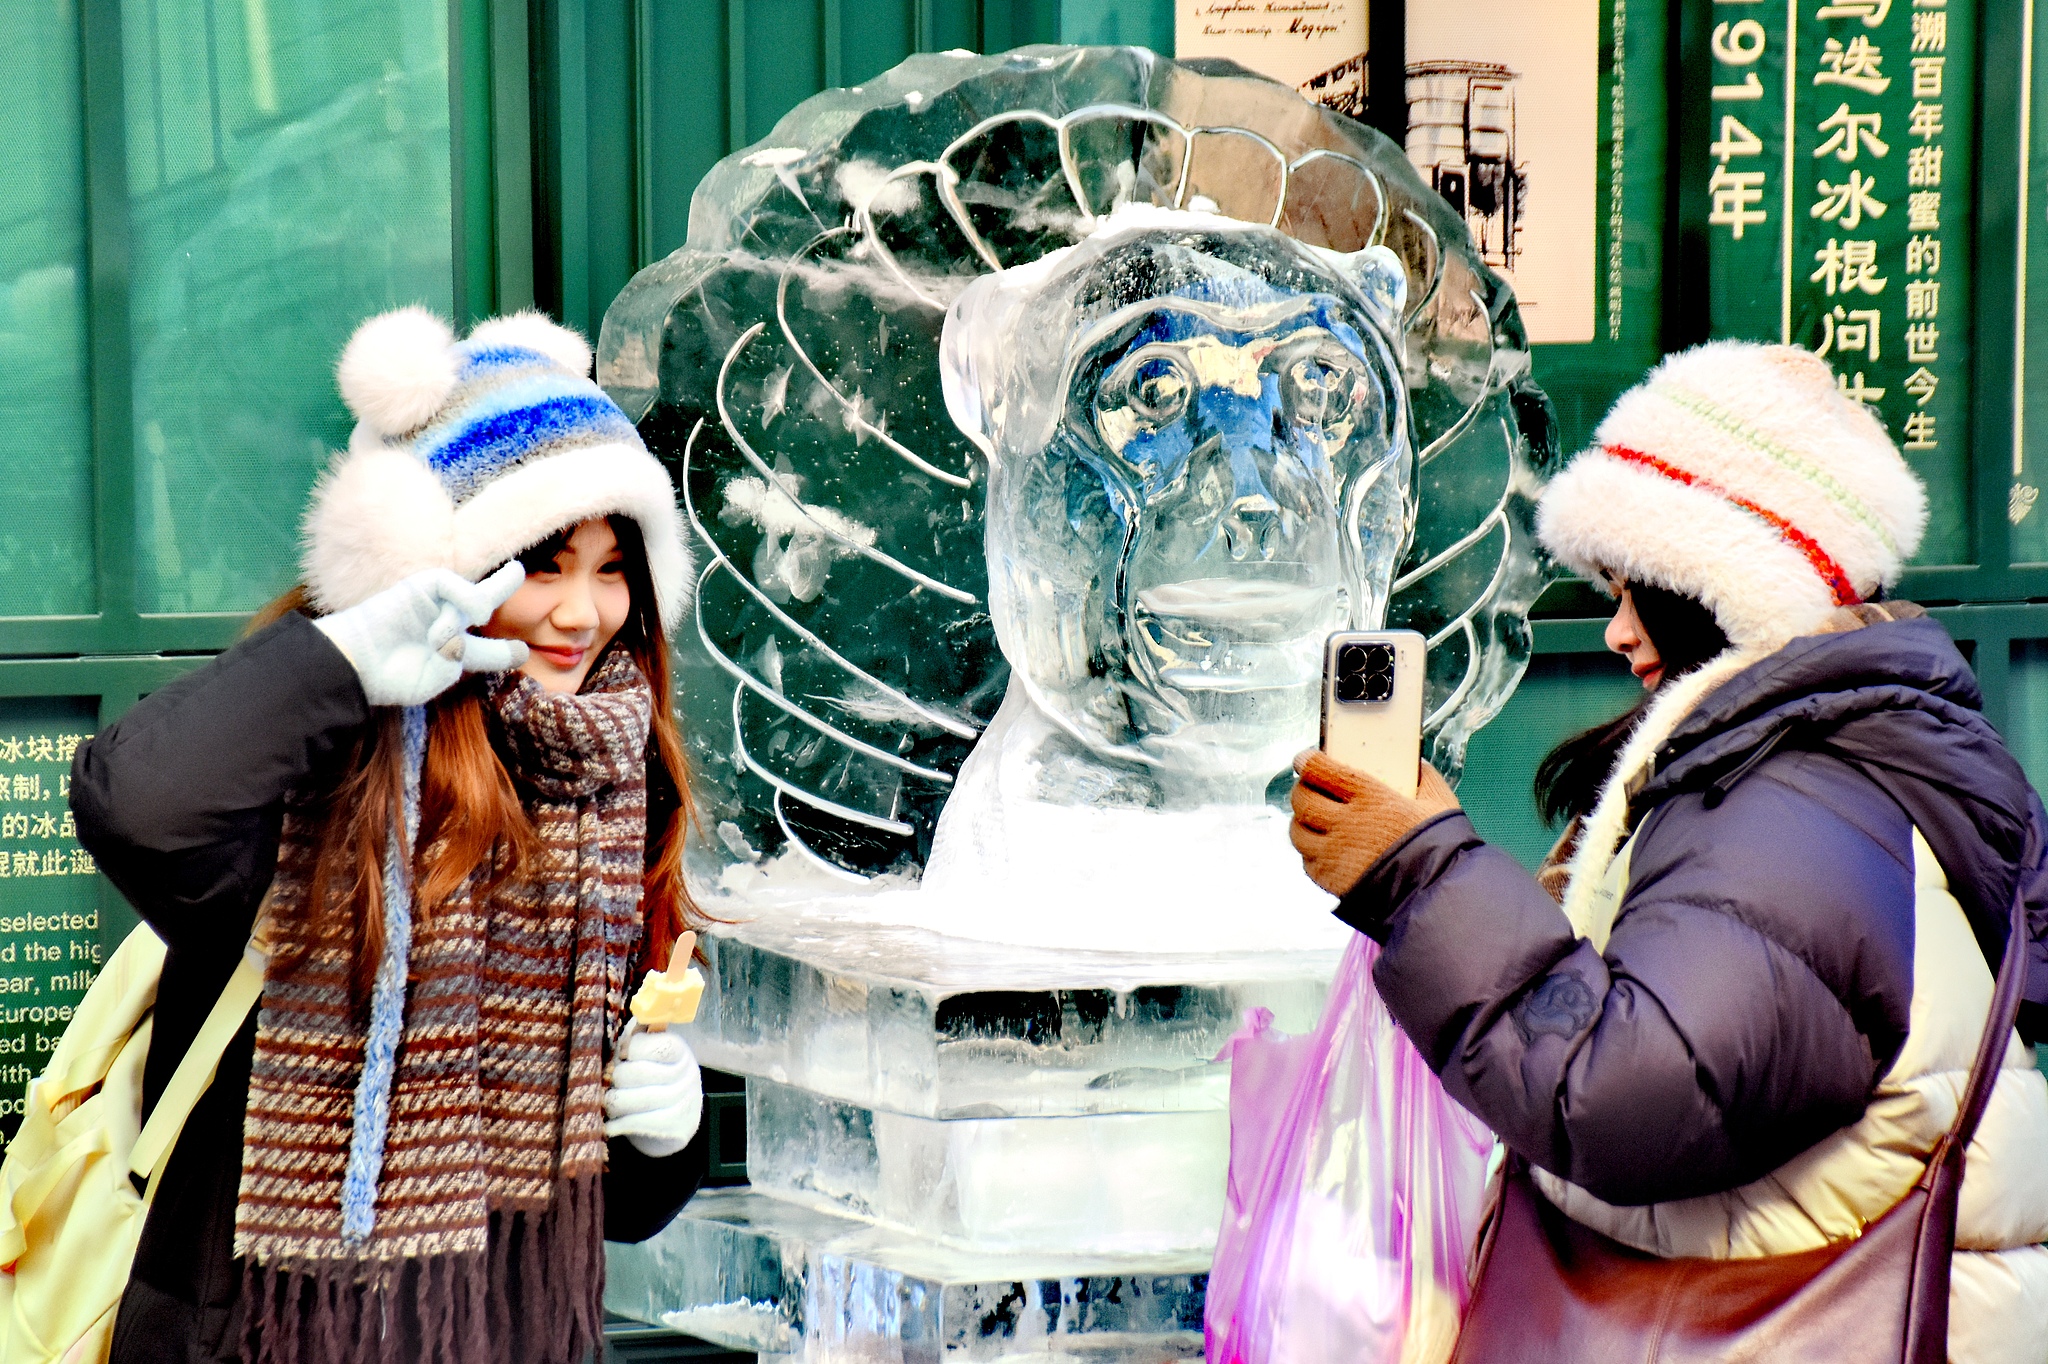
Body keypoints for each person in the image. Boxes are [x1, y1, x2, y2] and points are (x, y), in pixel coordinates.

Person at [1289, 342, 2048, 1361]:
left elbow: (1630, 1090)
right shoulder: (1829, 770)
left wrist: (1417, 874)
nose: (1612, 631)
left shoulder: (1800, 802)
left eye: (1628, 587)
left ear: (1715, 581)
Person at [72, 308, 709, 1364]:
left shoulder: (614, 776)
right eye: (542, 562)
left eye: (611, 567)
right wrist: (335, 662)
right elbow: (134, 802)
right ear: (446, 555)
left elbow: (617, 1209)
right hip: (256, 1335)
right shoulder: (324, 760)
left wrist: (664, 1135)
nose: (582, 611)